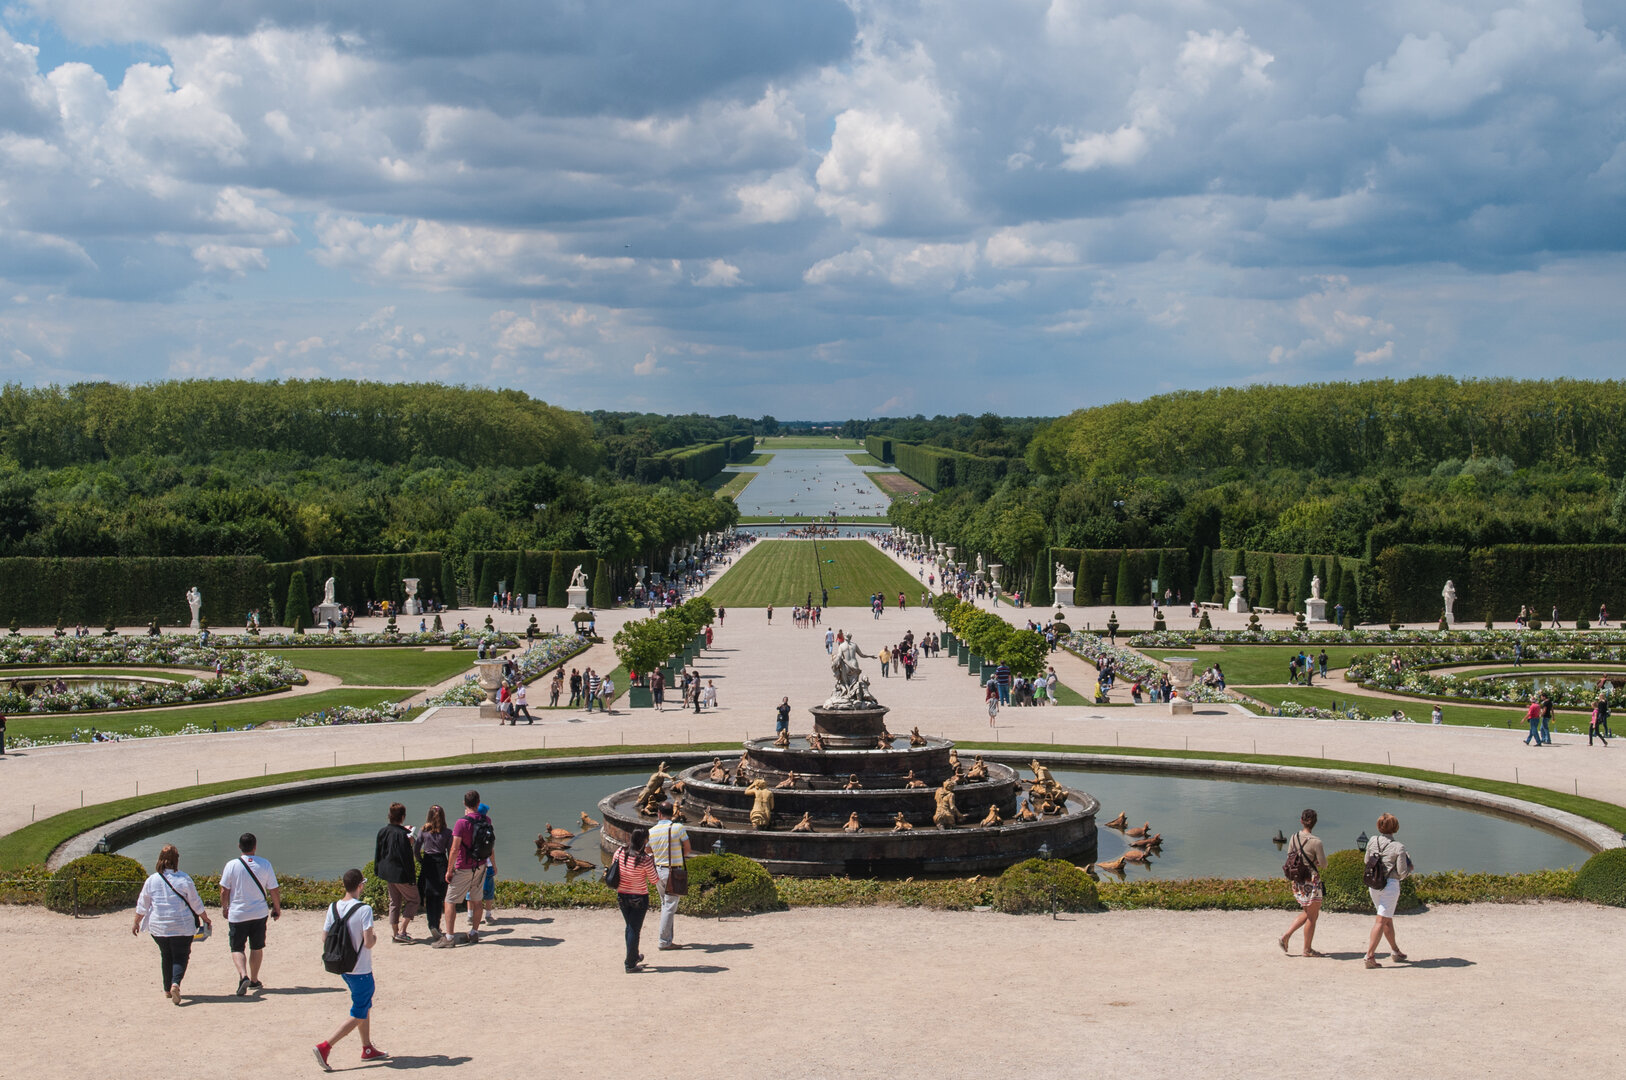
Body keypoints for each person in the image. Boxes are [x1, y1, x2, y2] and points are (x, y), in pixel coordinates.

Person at [314, 868, 388, 1069]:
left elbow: (324, 937)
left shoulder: (333, 907)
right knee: (359, 1012)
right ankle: (325, 1046)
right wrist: (375, 938)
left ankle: (367, 1048)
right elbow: (368, 942)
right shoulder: (365, 909)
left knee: (363, 1006)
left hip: (343, 966)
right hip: (361, 969)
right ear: (360, 886)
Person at [132, 844, 212, 1005]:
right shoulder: (184, 879)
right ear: (176, 860)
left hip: (159, 927)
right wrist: (206, 918)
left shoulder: (152, 880)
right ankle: (175, 983)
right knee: (181, 956)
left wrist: (136, 922)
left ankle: (167, 989)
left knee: (166, 955)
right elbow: (196, 903)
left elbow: (143, 904)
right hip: (182, 926)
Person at [219, 832, 281, 996]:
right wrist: (277, 908)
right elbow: (273, 889)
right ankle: (254, 979)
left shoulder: (231, 865)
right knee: (257, 947)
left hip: (238, 913)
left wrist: (225, 908)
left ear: (239, 846)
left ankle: (242, 975)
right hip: (259, 913)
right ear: (255, 847)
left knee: (237, 947)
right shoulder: (265, 864)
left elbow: (224, 890)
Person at [437, 790, 491, 946]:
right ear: (478, 802)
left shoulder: (461, 822)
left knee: (450, 901)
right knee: (477, 900)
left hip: (464, 866)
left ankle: (449, 937)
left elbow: (454, 849)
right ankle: (474, 932)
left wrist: (449, 869)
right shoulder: (487, 820)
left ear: (464, 803)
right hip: (480, 865)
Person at [1363, 814, 1413, 968]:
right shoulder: (1399, 847)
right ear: (1395, 827)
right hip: (1389, 886)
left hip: (1374, 884)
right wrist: (1410, 867)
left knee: (1386, 918)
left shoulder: (1372, 840)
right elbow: (1403, 872)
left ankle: (1395, 951)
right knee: (1381, 920)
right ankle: (1369, 956)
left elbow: (1366, 861)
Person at [1277, 809, 1327, 957]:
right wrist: (1315, 861)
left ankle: (1286, 936)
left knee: (1308, 912)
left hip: (1298, 881)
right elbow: (1324, 864)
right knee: (1312, 916)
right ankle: (1306, 949)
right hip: (1311, 881)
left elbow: (1290, 857)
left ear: (1301, 820)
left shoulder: (1293, 837)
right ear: (1315, 822)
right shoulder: (1316, 842)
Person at [612, 828, 662, 972]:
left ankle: (634, 955)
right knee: (634, 929)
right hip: (639, 897)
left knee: (630, 927)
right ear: (644, 840)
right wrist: (652, 862)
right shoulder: (644, 859)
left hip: (622, 895)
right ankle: (630, 964)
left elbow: (615, 867)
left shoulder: (620, 852)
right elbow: (654, 880)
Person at [374, 802, 419, 943]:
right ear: (403, 817)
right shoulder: (404, 835)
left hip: (387, 872)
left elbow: (378, 853)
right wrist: (412, 877)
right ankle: (402, 931)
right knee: (414, 900)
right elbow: (406, 859)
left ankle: (395, 933)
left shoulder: (382, 831)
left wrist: (378, 870)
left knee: (394, 902)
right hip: (401, 874)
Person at [649, 801, 691, 951]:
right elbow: (687, 848)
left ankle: (668, 939)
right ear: (672, 813)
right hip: (673, 872)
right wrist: (678, 858)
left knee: (665, 904)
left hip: (658, 871)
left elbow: (648, 850)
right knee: (669, 906)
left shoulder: (652, 831)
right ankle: (664, 941)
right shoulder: (678, 828)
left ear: (659, 814)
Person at [414, 805, 452, 942]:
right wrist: (450, 868)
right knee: (440, 896)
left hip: (428, 862)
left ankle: (432, 924)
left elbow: (416, 849)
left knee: (430, 896)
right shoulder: (447, 832)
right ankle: (437, 924)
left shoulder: (423, 831)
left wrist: (420, 861)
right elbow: (450, 851)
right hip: (441, 861)